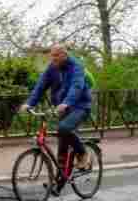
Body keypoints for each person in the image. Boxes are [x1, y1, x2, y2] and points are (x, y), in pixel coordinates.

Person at [19, 44, 93, 192]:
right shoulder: (52, 68)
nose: (53, 59)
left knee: (64, 128)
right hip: (62, 108)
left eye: (56, 56)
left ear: (65, 55)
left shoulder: (76, 66)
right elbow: (40, 87)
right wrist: (29, 104)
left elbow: (76, 87)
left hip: (80, 106)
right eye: (52, 56)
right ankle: (58, 185)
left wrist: (66, 103)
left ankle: (83, 153)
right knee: (62, 148)